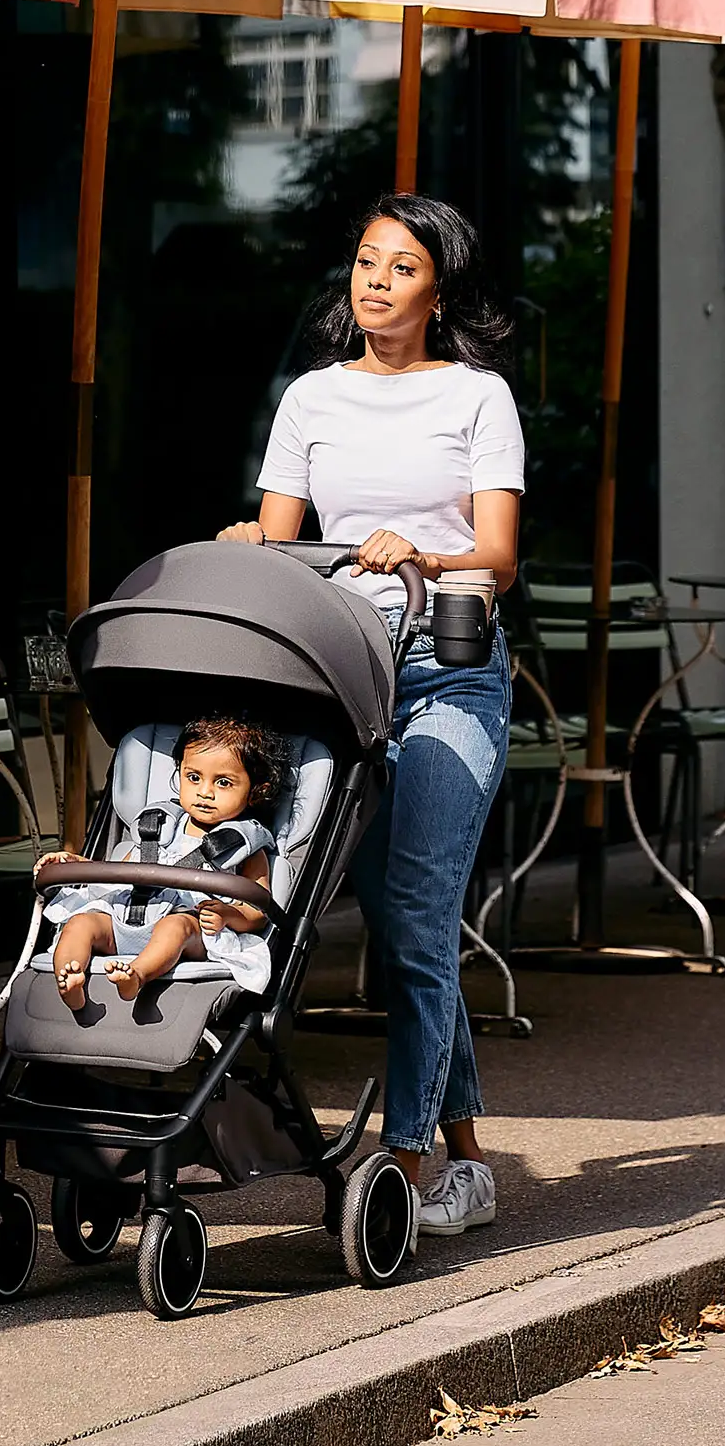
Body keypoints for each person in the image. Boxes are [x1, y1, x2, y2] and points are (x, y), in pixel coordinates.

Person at [221, 193, 521, 1238]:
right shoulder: (311, 397)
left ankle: (408, 1159)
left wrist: (419, 551)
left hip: (448, 668)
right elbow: (282, 545)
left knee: (421, 915)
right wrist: (252, 546)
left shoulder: (476, 397)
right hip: (345, 670)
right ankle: (469, 1164)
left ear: (439, 292)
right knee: (397, 928)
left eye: (401, 267)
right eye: (364, 262)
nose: (376, 281)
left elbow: (499, 557)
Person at [40, 716, 280, 1008]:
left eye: (223, 782)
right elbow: (116, 876)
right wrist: (76, 865)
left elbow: (258, 910)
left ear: (255, 791)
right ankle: (70, 976)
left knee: (175, 927)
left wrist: (228, 915)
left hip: (190, 930)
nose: (205, 792)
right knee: (80, 923)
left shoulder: (245, 848)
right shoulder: (155, 827)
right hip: (125, 918)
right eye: (194, 777)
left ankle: (137, 975)